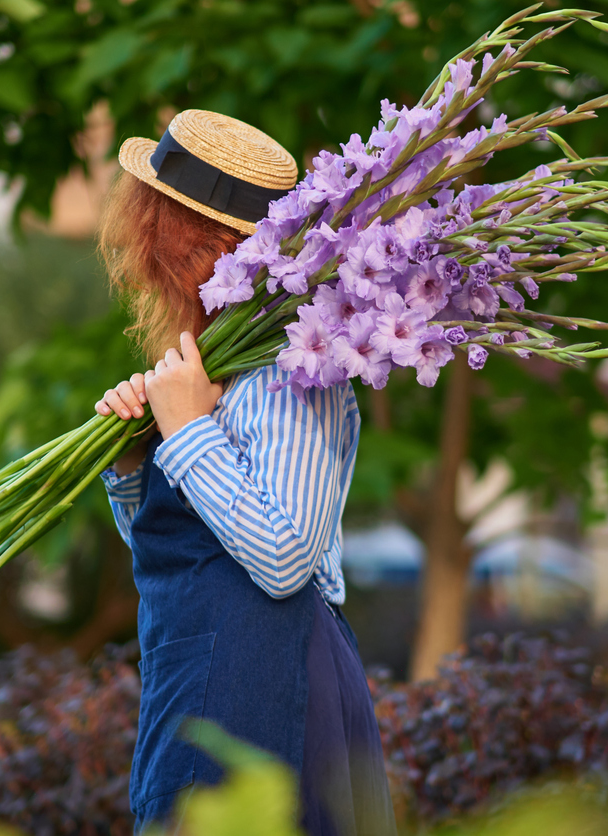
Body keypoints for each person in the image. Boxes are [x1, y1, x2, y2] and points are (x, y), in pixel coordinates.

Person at [92, 110, 396, 836]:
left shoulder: (296, 372)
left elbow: (285, 558)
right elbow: (173, 555)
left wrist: (190, 429)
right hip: (205, 682)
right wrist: (134, 460)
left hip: (270, 689)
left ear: (177, 241)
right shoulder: (211, 369)